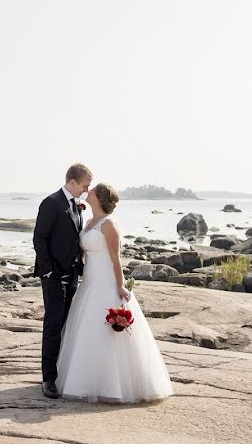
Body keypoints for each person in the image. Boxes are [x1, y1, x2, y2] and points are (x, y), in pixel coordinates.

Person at [55, 182, 174, 403]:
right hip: (88, 282)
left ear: (99, 198)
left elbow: (115, 258)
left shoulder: (109, 224)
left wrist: (119, 287)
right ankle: (84, 381)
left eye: (92, 191)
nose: (87, 192)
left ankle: (112, 386)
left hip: (106, 282)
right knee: (85, 331)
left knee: (106, 334)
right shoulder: (89, 222)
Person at [33, 163, 93, 399]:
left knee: (67, 325)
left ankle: (62, 374)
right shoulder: (52, 203)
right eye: (85, 186)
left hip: (72, 276)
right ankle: (48, 379)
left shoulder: (76, 206)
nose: (86, 191)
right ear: (72, 182)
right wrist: (47, 271)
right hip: (53, 277)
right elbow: (39, 238)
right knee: (53, 325)